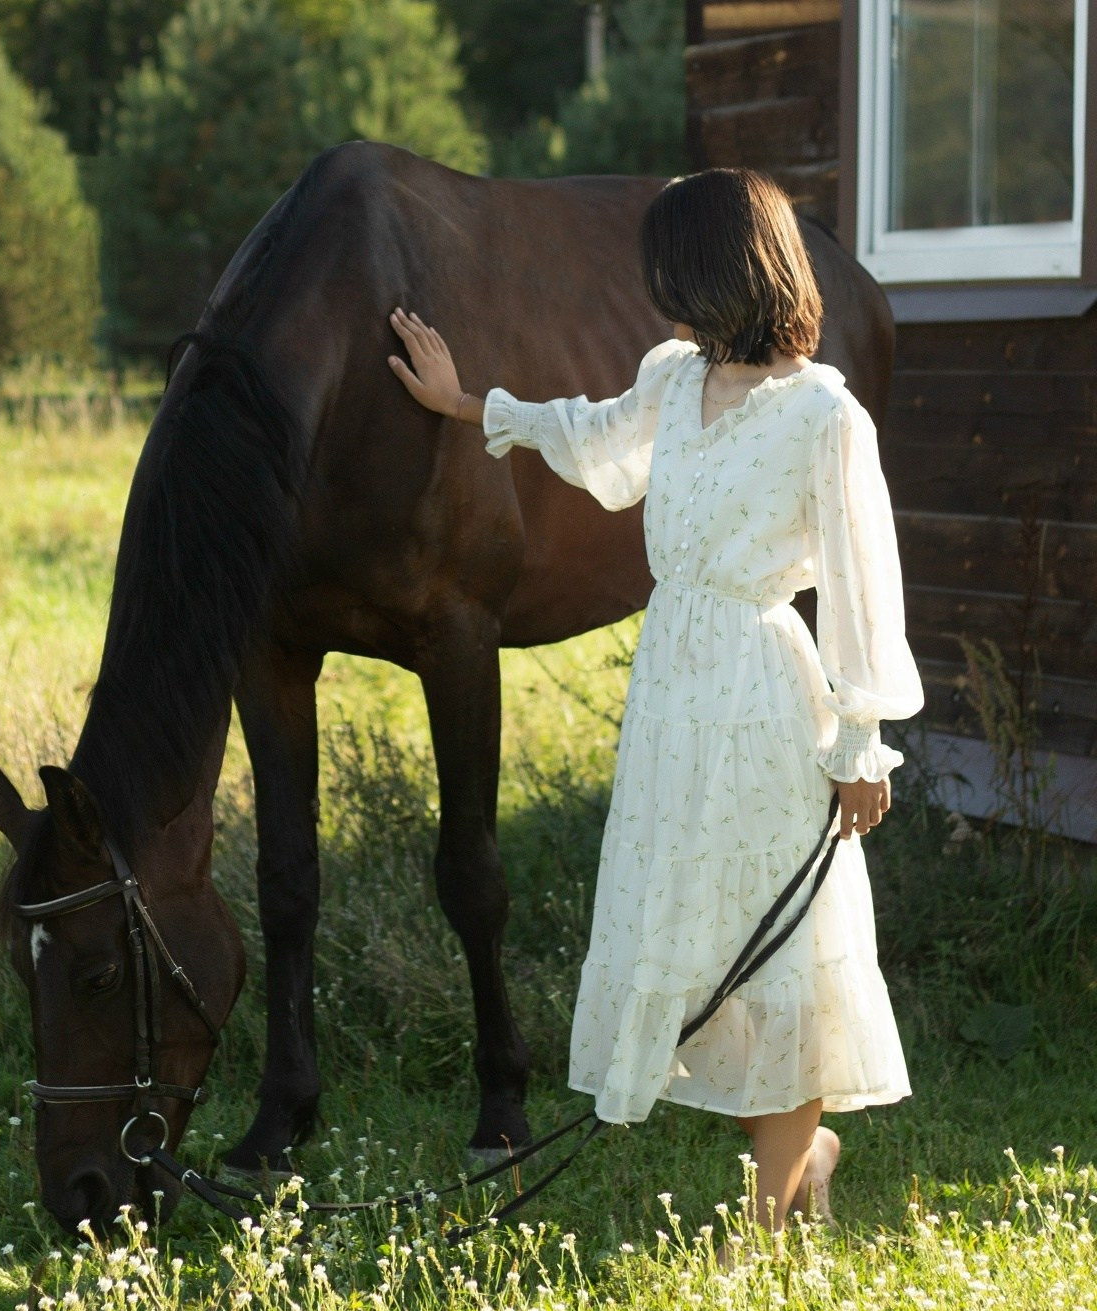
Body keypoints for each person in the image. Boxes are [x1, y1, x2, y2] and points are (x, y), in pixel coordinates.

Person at [386, 166, 924, 1236]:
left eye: (669, 277)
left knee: (777, 954)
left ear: (727, 273)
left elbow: (864, 583)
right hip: (672, 691)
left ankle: (768, 1223)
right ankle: (802, 1150)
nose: (656, 298)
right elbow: (592, 437)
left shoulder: (823, 414)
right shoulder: (675, 379)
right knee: (694, 945)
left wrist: (860, 744)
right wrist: (466, 404)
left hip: (767, 695)